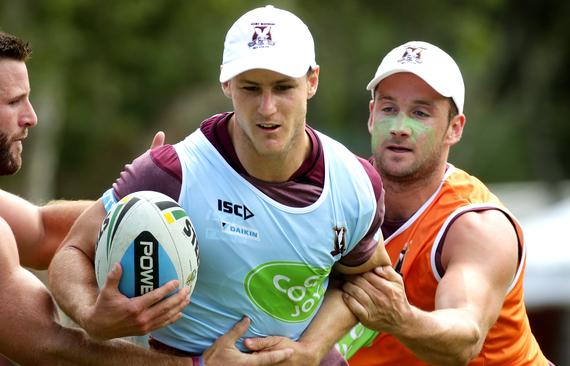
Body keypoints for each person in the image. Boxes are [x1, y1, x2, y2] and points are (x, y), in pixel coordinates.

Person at [0, 20, 293, 365]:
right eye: (15, 101)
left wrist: (149, 199)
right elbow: (50, 345)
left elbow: (42, 229)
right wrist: (198, 364)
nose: (31, 116)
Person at [49, 5, 390, 366]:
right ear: (226, 83)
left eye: (283, 87)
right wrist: (90, 314)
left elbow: (364, 279)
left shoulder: (355, 183)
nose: (267, 108)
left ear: (312, 81)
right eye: (250, 88)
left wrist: (311, 349)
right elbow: (72, 251)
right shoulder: (170, 174)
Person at [337, 41, 551, 365]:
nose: (398, 128)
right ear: (371, 116)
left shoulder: (476, 225)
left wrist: (402, 318)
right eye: (388, 108)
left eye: (420, 113)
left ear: (455, 128)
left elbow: (465, 338)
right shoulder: (338, 197)